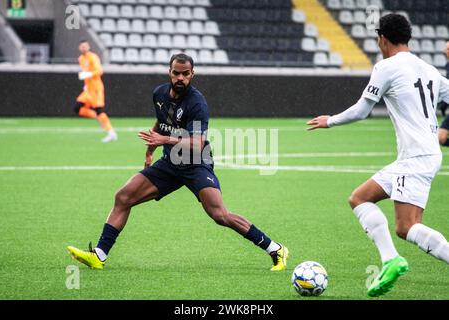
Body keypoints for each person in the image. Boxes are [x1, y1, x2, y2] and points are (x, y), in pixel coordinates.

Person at [67, 53, 289, 272]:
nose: (180, 78)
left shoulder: (197, 103)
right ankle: (99, 255)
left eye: (185, 74)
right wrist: (149, 151)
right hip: (170, 163)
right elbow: (161, 122)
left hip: (196, 163)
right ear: (169, 72)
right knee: (123, 197)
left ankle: (275, 248)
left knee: (220, 215)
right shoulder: (159, 94)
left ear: (192, 74)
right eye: (176, 73)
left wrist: (164, 139)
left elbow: (197, 142)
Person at [307, 14, 449, 297]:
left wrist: (330, 120)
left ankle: (392, 259)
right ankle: (390, 260)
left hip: (416, 157)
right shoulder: (430, 70)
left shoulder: (386, 66)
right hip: (424, 154)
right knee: (360, 198)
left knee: (407, 227)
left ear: (382, 38)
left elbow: (362, 110)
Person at [75, 40, 117, 143]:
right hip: (88, 89)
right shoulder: (81, 59)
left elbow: (99, 71)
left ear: (88, 47)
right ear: (79, 48)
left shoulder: (93, 57)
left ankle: (111, 133)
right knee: (77, 108)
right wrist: (85, 84)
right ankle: (98, 118)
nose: (83, 48)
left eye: (85, 46)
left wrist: (88, 74)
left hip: (96, 88)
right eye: (82, 46)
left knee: (100, 110)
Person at [438, 40, 449, 146]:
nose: (445, 51)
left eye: (448, 49)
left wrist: (444, 105)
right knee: (441, 138)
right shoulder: (448, 65)